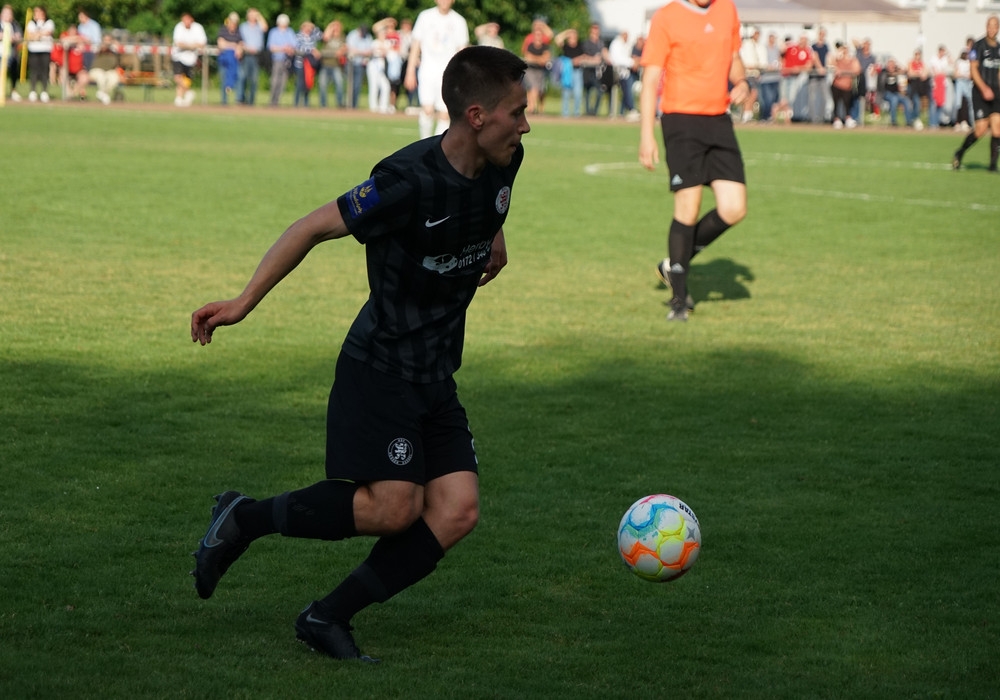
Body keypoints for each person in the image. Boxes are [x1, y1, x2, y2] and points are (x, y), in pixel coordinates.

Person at [189, 45, 529, 663]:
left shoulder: (504, 158)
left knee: (456, 511)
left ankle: (326, 616)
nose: (526, 125)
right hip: (380, 368)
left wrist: (493, 238)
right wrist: (242, 302)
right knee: (394, 509)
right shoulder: (405, 181)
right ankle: (243, 517)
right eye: (517, 112)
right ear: (477, 116)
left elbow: (487, 198)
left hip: (435, 370)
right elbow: (312, 227)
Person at [639, 0, 748, 322]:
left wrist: (742, 81)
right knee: (688, 207)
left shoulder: (727, 9)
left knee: (734, 208)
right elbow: (650, 80)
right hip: (681, 121)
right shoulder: (666, 17)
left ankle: (674, 263)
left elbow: (734, 58)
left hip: (719, 120)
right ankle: (679, 301)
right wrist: (646, 135)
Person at [405, 0, 469, 139]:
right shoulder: (425, 17)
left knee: (445, 113)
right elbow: (416, 45)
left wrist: (462, 76)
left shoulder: (459, 21)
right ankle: (425, 143)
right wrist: (410, 71)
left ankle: (437, 147)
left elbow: (462, 52)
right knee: (427, 110)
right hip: (427, 70)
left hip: (449, 73)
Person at [953, 15, 1000, 172]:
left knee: (997, 128)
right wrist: (984, 88)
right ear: (986, 27)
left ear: (998, 28)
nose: (992, 29)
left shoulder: (999, 48)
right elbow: (973, 70)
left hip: (996, 92)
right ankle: (960, 152)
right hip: (980, 92)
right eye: (989, 26)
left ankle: (992, 165)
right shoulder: (978, 46)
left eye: (994, 26)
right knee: (980, 130)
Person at [172, 12, 206, 107]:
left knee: (186, 80)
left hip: (191, 58)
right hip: (178, 56)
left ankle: (179, 98)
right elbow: (178, 43)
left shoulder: (198, 28)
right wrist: (192, 46)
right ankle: (188, 92)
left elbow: (202, 43)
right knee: (177, 77)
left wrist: (187, 46)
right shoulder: (179, 27)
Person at [236, 8, 267, 106]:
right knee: (243, 77)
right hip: (246, 54)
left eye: (254, 15)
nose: (253, 16)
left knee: (254, 79)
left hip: (257, 56)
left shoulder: (259, 26)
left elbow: (265, 27)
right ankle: (241, 99)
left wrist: (259, 16)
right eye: (251, 14)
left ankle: (251, 101)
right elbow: (240, 40)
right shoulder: (243, 26)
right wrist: (244, 48)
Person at [25, 5, 54, 103]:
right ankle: (33, 91)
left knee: (44, 71)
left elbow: (48, 32)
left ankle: (44, 92)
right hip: (33, 50)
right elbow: (30, 36)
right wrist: (39, 34)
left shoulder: (49, 22)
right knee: (34, 71)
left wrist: (37, 34)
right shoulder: (31, 23)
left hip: (45, 50)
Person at [266, 14, 296, 106]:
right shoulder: (273, 32)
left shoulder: (290, 32)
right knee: (275, 80)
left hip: (287, 60)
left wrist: (289, 49)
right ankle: (272, 100)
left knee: (283, 81)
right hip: (277, 59)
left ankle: (277, 101)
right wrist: (283, 48)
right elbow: (271, 47)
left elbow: (294, 45)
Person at [829, 41, 859, 129]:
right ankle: (836, 119)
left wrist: (843, 72)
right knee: (836, 103)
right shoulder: (837, 59)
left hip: (847, 86)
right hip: (837, 85)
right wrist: (837, 55)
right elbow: (831, 66)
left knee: (847, 103)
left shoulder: (852, 60)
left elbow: (857, 71)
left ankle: (847, 118)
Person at [555, 27, 584, 118]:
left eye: (574, 35)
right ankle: (565, 113)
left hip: (577, 71)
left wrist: (578, 59)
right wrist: (567, 32)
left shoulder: (580, 45)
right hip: (567, 73)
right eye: (571, 36)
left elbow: (584, 56)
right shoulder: (566, 47)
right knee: (566, 93)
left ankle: (576, 113)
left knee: (578, 93)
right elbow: (557, 39)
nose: (573, 37)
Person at [739, 27, 766, 123]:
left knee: (753, 94)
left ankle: (748, 113)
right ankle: (746, 114)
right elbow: (742, 59)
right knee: (749, 93)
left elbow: (762, 62)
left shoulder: (759, 46)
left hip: (755, 73)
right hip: (747, 73)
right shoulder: (746, 45)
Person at [608, 30, 637, 119]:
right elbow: (617, 59)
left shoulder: (625, 45)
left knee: (627, 91)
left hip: (625, 72)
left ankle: (623, 111)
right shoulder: (616, 44)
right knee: (625, 90)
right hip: (617, 72)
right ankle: (631, 109)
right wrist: (632, 62)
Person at [292, 20, 322, 107]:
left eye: (311, 28)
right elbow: (297, 48)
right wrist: (311, 50)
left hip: (310, 64)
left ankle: (306, 103)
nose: (309, 29)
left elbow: (321, 35)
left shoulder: (312, 36)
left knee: (307, 83)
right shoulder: (298, 36)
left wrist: (314, 28)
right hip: (300, 63)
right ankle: (296, 103)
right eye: (307, 27)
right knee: (299, 83)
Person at [522, 24, 549, 115]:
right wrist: (539, 59)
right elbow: (527, 57)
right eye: (536, 35)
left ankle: (540, 108)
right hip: (530, 70)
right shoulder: (530, 46)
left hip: (541, 71)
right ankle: (531, 108)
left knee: (541, 90)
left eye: (540, 35)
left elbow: (545, 59)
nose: (538, 37)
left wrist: (534, 59)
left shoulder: (545, 47)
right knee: (533, 88)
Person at [881, 57, 916, 128]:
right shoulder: (884, 72)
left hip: (896, 93)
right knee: (894, 99)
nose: (892, 67)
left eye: (893, 65)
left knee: (906, 101)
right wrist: (895, 73)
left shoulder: (897, 72)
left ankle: (909, 121)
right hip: (886, 93)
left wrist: (898, 70)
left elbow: (905, 71)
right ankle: (893, 121)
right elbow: (881, 84)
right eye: (890, 65)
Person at [319, 19, 346, 108]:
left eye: (337, 26)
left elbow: (344, 47)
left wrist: (341, 51)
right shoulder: (328, 37)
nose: (335, 28)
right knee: (322, 84)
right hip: (325, 64)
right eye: (334, 27)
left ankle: (339, 103)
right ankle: (323, 104)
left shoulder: (342, 38)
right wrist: (331, 26)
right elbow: (325, 36)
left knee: (339, 84)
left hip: (336, 65)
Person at [581, 23, 607, 116]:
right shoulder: (586, 43)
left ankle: (594, 112)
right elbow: (583, 56)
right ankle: (588, 112)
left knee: (599, 91)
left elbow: (604, 54)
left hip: (597, 72)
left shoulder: (601, 43)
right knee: (587, 92)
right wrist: (593, 59)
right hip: (588, 70)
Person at [344, 22, 371, 109]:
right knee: (350, 84)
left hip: (360, 64)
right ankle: (348, 103)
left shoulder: (368, 37)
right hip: (350, 63)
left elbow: (369, 51)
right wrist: (363, 52)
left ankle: (354, 105)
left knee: (357, 85)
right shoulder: (352, 35)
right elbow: (351, 49)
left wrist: (359, 52)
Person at [87, 34, 120, 104]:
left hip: (109, 71)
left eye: (109, 40)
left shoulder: (113, 50)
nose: (107, 42)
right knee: (101, 76)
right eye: (106, 40)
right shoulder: (97, 47)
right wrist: (104, 46)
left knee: (115, 78)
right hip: (96, 70)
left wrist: (115, 46)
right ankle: (103, 95)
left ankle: (102, 93)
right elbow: (99, 49)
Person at [217, 12, 241, 105]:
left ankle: (238, 100)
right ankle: (224, 101)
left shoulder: (238, 31)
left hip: (235, 61)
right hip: (224, 59)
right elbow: (221, 44)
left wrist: (230, 45)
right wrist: (234, 45)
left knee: (238, 76)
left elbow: (241, 45)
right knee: (223, 78)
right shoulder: (223, 30)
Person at [3, 4, 24, 101]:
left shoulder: (15, 25)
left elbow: (19, 36)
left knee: (14, 72)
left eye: (9, 13)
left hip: (12, 53)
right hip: (1, 53)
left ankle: (13, 91)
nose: (8, 15)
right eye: (6, 13)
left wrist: (14, 38)